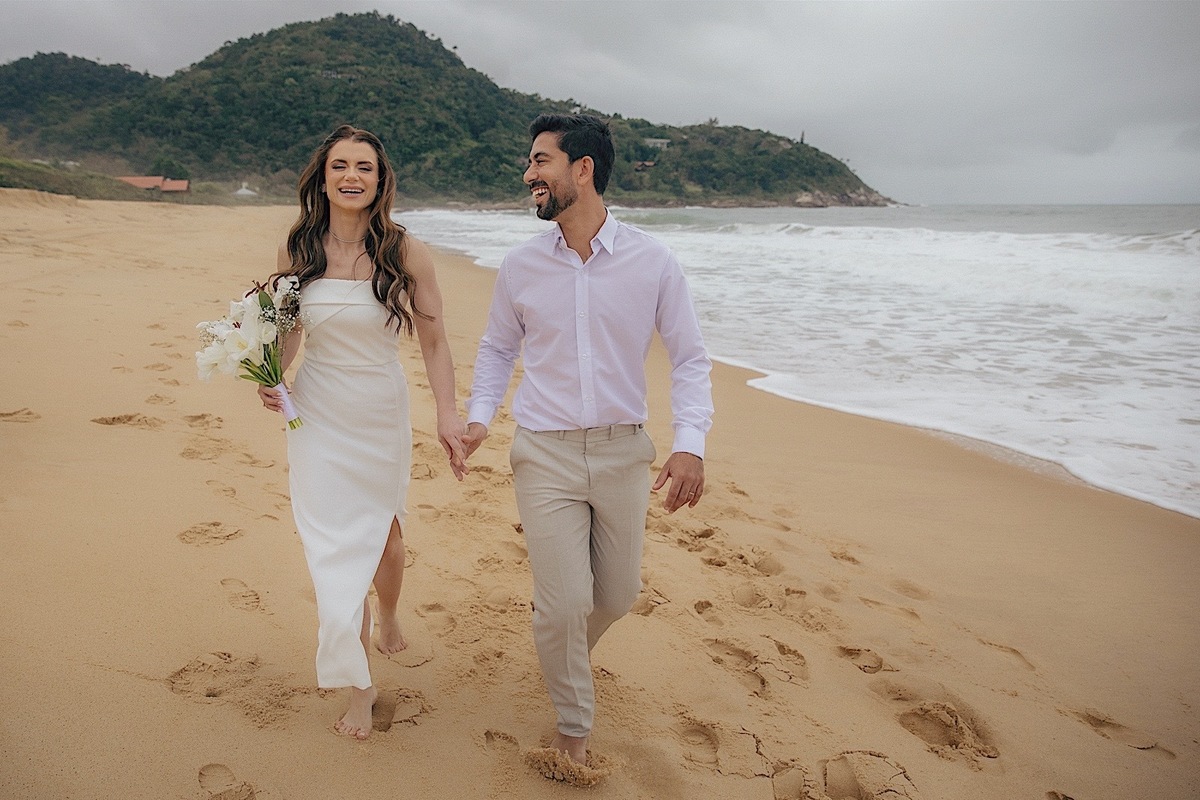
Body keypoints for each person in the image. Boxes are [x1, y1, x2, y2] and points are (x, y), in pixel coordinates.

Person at [462, 113, 713, 775]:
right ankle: (572, 730)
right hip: (542, 451)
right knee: (567, 602)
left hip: (624, 451)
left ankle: (557, 641)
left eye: (540, 160)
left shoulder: (652, 261)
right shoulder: (519, 266)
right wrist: (481, 416)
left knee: (615, 597)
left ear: (583, 169)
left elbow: (689, 358)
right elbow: (495, 349)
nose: (529, 174)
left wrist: (691, 443)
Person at [258, 124, 467, 740]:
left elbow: (433, 340)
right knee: (331, 549)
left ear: (380, 180)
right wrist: (270, 373)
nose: (352, 176)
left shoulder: (404, 251)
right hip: (316, 413)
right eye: (340, 166)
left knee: (385, 536)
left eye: (365, 167)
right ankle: (359, 685)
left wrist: (447, 414)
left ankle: (390, 614)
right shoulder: (298, 249)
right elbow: (290, 332)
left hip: (379, 410)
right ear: (323, 178)